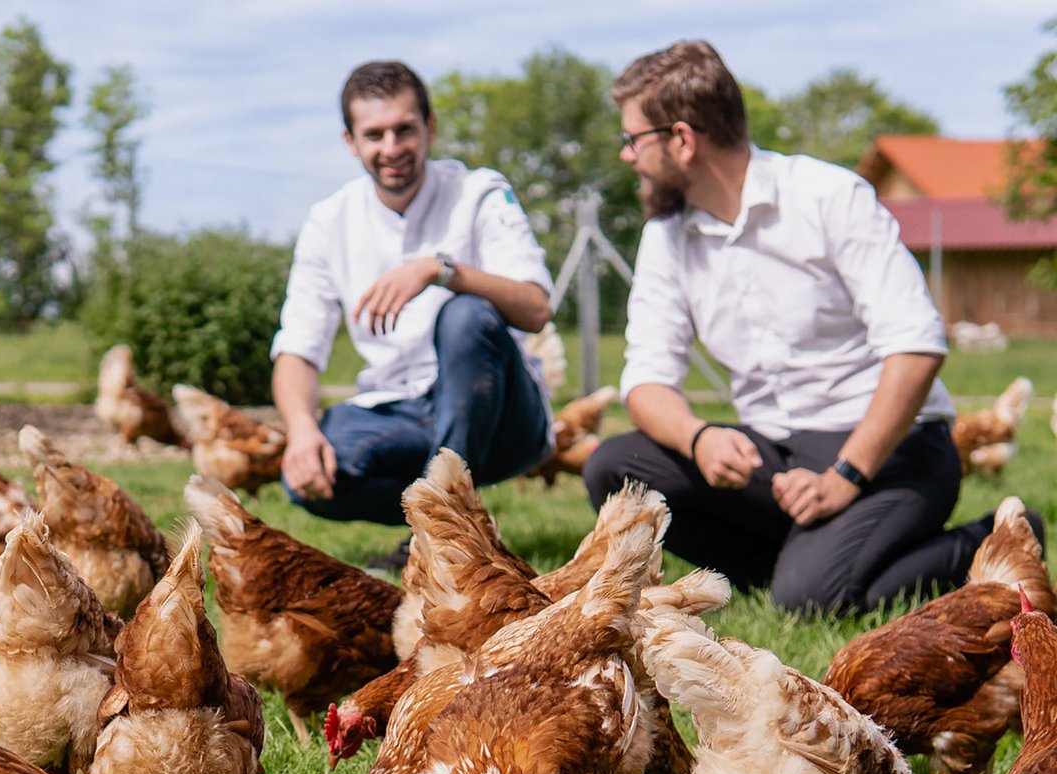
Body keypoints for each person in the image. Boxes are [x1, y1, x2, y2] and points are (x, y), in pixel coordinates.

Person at [584, 39, 1037, 613]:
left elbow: (917, 345)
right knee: (614, 468)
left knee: (812, 598)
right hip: (775, 454)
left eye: (632, 139)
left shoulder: (827, 197)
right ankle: (803, 568)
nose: (627, 156)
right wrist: (698, 439)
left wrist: (847, 473)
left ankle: (997, 542)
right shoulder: (667, 238)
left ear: (681, 139)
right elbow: (645, 381)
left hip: (891, 446)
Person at [271, 60, 556, 561]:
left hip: (502, 414)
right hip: (400, 410)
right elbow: (298, 346)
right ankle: (456, 525)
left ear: (430, 128)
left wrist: (441, 269)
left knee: (466, 314)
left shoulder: (479, 193)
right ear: (350, 142)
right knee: (310, 473)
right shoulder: (328, 221)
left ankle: (439, 542)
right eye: (374, 134)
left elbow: (536, 308)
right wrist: (300, 430)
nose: (391, 148)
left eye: (404, 129)